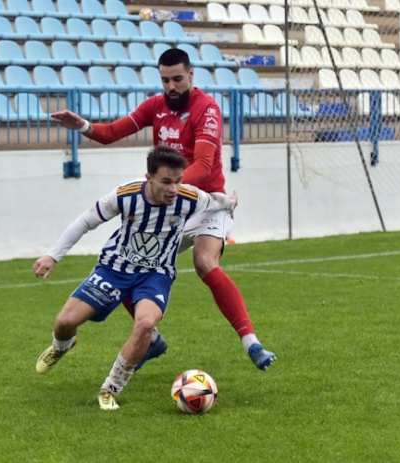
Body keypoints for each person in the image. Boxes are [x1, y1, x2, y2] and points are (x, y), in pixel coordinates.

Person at [50, 48, 276, 371]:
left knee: (204, 261)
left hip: (206, 201)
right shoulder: (155, 106)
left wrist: (168, 189)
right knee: (130, 256)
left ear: (191, 75)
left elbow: (203, 164)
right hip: (172, 201)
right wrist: (83, 125)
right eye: (165, 80)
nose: (171, 86)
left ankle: (251, 343)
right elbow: (113, 132)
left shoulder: (207, 110)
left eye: (177, 79)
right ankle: (151, 339)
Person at [34, 145, 238, 410]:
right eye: (166, 182)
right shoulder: (126, 195)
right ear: (149, 177)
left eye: (177, 181)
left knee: (145, 324)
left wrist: (231, 202)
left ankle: (110, 390)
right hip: (114, 269)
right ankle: (61, 346)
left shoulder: (189, 198)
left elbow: (216, 201)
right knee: (64, 322)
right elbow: (85, 221)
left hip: (156, 274)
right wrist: (53, 255)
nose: (173, 189)